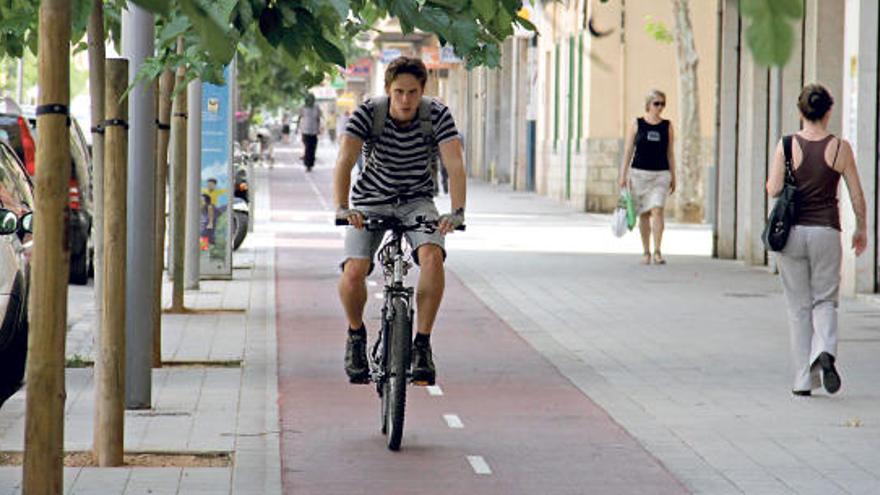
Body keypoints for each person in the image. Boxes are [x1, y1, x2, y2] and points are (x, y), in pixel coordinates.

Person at [333, 56, 466, 386]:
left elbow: (455, 165)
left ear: (423, 90)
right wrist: (342, 207)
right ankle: (355, 337)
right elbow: (345, 161)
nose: (406, 100)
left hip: (416, 202)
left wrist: (457, 211)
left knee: (433, 257)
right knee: (354, 271)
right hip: (370, 203)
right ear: (388, 90)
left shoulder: (436, 114)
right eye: (399, 92)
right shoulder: (369, 113)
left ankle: (422, 344)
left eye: (413, 92)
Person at [766, 84, 867, 397]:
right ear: (829, 111)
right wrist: (861, 227)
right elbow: (856, 194)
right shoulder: (840, 148)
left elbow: (772, 189)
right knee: (825, 300)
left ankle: (802, 380)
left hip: (791, 234)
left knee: (798, 307)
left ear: (800, 112)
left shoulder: (786, 145)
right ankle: (825, 351)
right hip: (826, 231)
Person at [618, 89, 676, 265]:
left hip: (660, 174)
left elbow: (670, 153)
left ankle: (658, 251)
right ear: (648, 104)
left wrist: (674, 175)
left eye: (663, 104)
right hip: (639, 175)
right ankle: (646, 252)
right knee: (643, 214)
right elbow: (628, 150)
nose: (660, 107)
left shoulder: (667, 126)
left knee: (657, 209)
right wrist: (623, 175)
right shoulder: (637, 124)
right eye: (656, 103)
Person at [297, 93, 322, 171]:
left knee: (312, 147)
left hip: (313, 131)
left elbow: (318, 118)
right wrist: (297, 128)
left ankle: (309, 163)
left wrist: (318, 129)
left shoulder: (316, 107)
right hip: (305, 130)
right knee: (308, 147)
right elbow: (299, 117)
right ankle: (308, 164)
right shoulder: (303, 107)